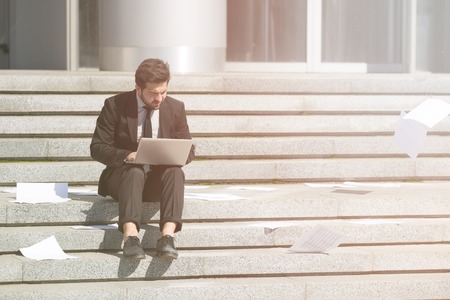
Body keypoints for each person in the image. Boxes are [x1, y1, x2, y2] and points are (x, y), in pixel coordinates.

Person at [90, 58, 195, 260]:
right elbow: (97, 148)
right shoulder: (114, 105)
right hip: (122, 178)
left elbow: (188, 149)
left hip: (156, 180)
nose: (159, 99)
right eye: (153, 93)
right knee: (134, 170)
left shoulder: (175, 108)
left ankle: (167, 238)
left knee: (175, 172)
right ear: (138, 89)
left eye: (164, 92)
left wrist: (173, 154)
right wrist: (127, 156)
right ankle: (130, 238)